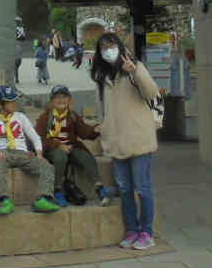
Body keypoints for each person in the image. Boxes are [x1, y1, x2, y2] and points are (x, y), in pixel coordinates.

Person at [90, 32, 159, 250]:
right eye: (103, 47)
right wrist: (104, 131)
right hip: (116, 142)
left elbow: (152, 93)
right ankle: (131, 229)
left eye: (111, 45)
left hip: (138, 139)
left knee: (142, 187)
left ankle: (147, 231)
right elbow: (104, 111)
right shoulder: (102, 78)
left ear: (119, 47)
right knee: (125, 189)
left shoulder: (134, 68)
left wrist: (136, 72)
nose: (108, 50)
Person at [0, 85, 60, 215]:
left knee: (46, 166)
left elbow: (34, 136)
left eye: (14, 100)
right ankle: (5, 200)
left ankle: (43, 198)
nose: (14, 103)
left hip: (23, 153)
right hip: (4, 152)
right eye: (10, 101)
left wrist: (39, 151)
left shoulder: (20, 117)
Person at [35, 85, 111, 207]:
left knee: (86, 157)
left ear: (69, 100)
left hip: (71, 147)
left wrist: (95, 130)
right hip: (53, 149)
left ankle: (99, 188)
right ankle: (57, 190)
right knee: (60, 157)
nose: (61, 100)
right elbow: (39, 139)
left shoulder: (72, 115)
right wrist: (58, 145)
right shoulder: (44, 118)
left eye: (64, 97)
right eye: (57, 97)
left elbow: (84, 131)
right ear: (52, 101)